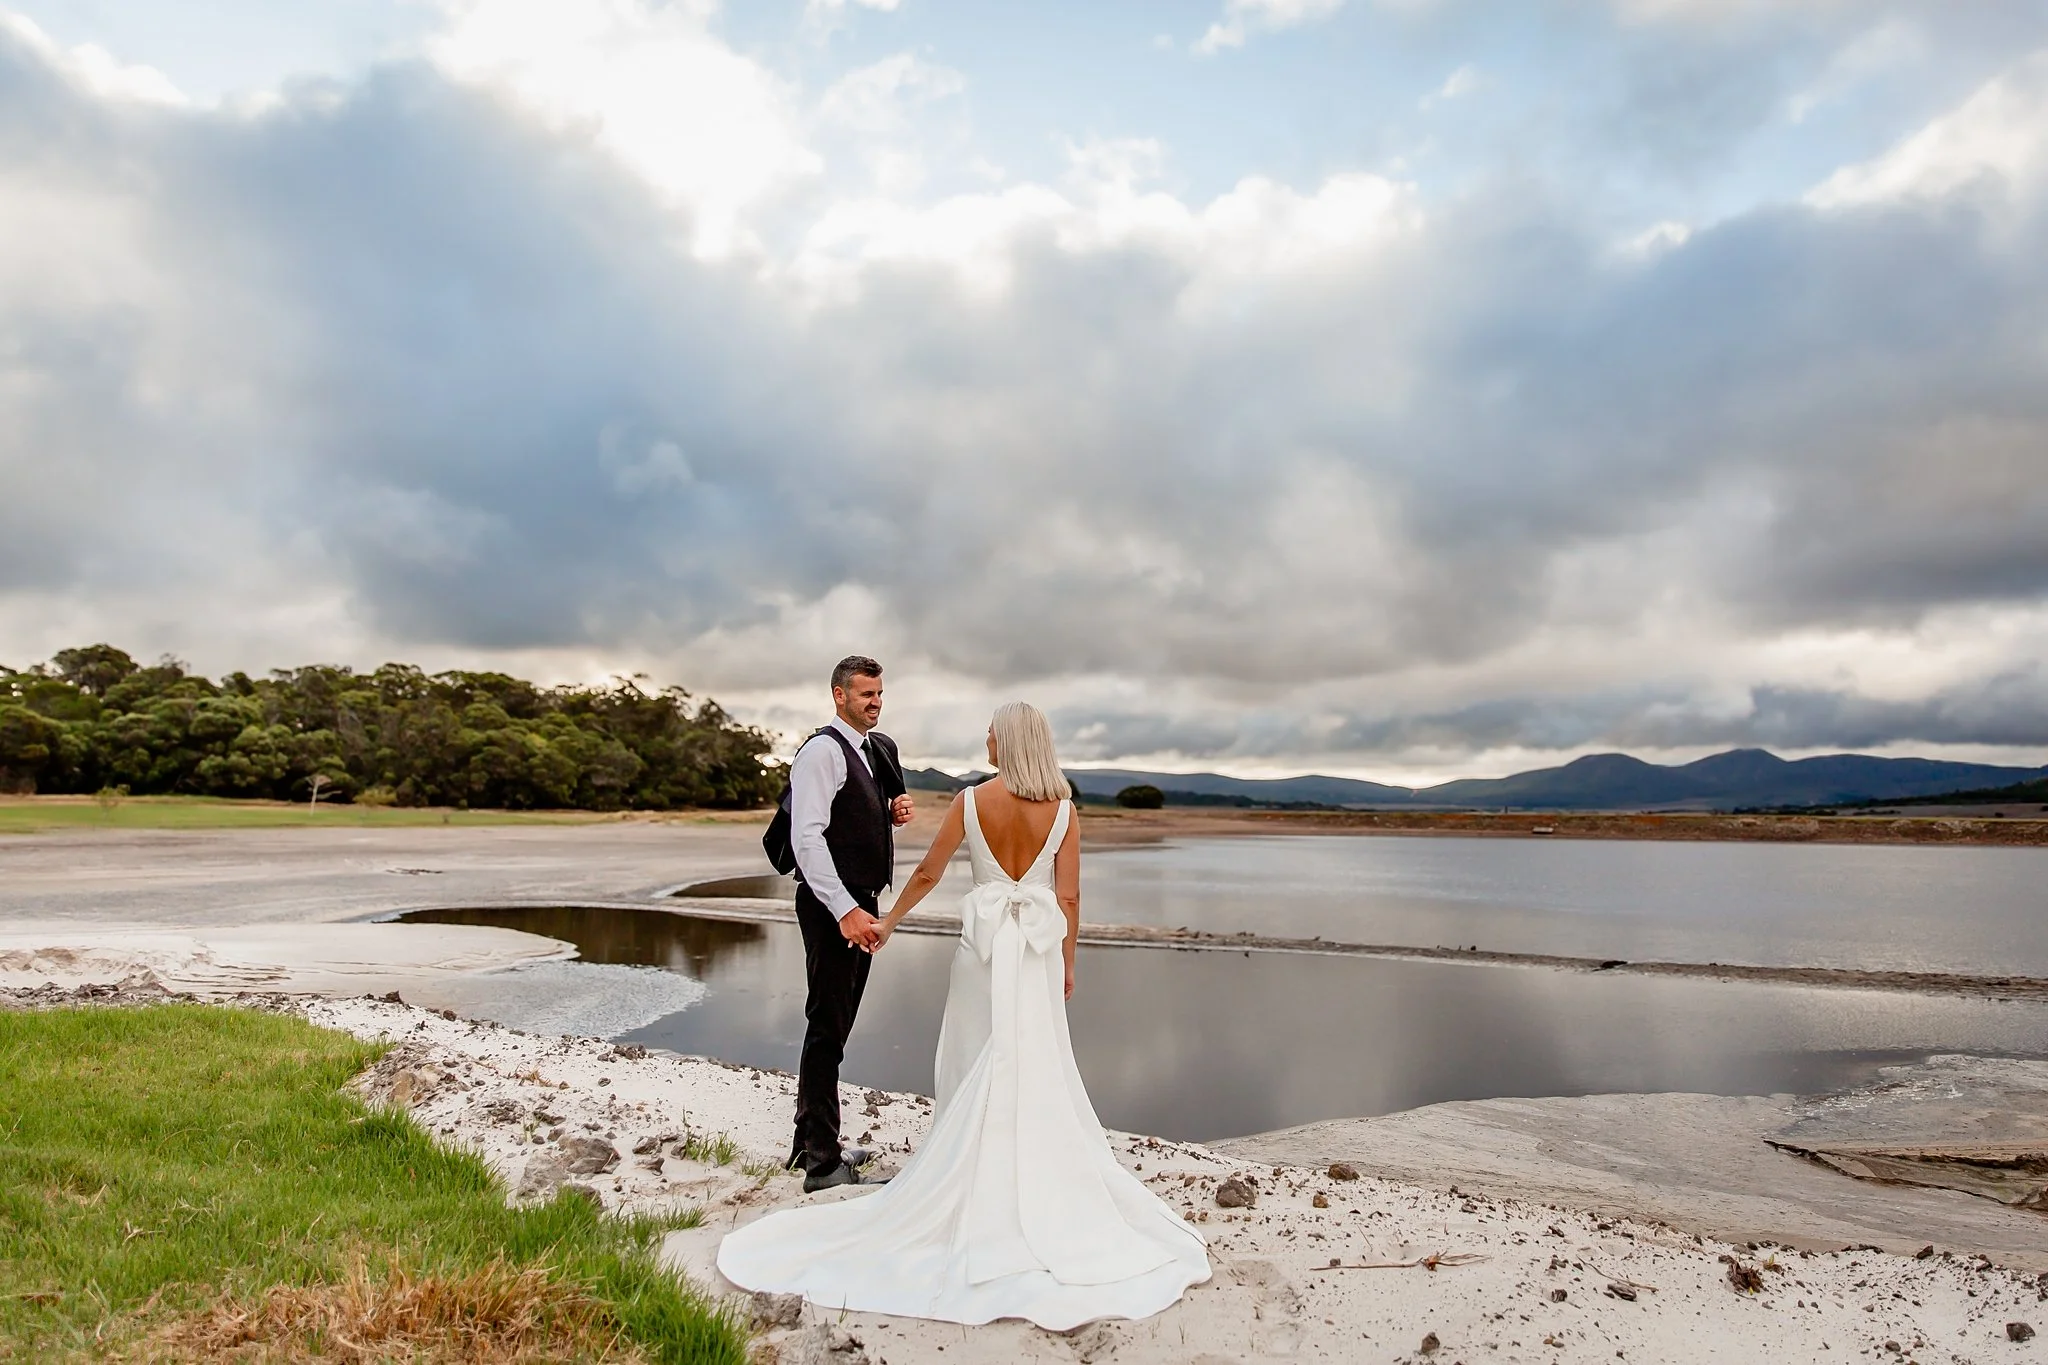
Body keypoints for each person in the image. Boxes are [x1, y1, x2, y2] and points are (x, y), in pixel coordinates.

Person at [718, 702, 1211, 1328]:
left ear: (1006, 742)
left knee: (976, 1051)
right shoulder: (1063, 809)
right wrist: (1067, 961)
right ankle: (1026, 1179)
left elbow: (926, 872)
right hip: (1033, 955)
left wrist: (887, 924)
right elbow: (1068, 895)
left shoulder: (970, 802)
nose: (984, 738)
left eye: (991, 732)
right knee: (1032, 1059)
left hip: (981, 955)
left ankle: (963, 1169)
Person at [786, 654, 915, 1193]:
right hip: (831, 907)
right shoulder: (821, 751)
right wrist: (845, 911)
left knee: (832, 1023)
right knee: (828, 1029)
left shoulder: (875, 750)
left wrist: (891, 813)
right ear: (839, 695)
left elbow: (855, 814)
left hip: (860, 902)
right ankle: (822, 1164)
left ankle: (810, 1138)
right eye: (866, 694)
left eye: (880, 693)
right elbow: (806, 838)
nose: (876, 702)